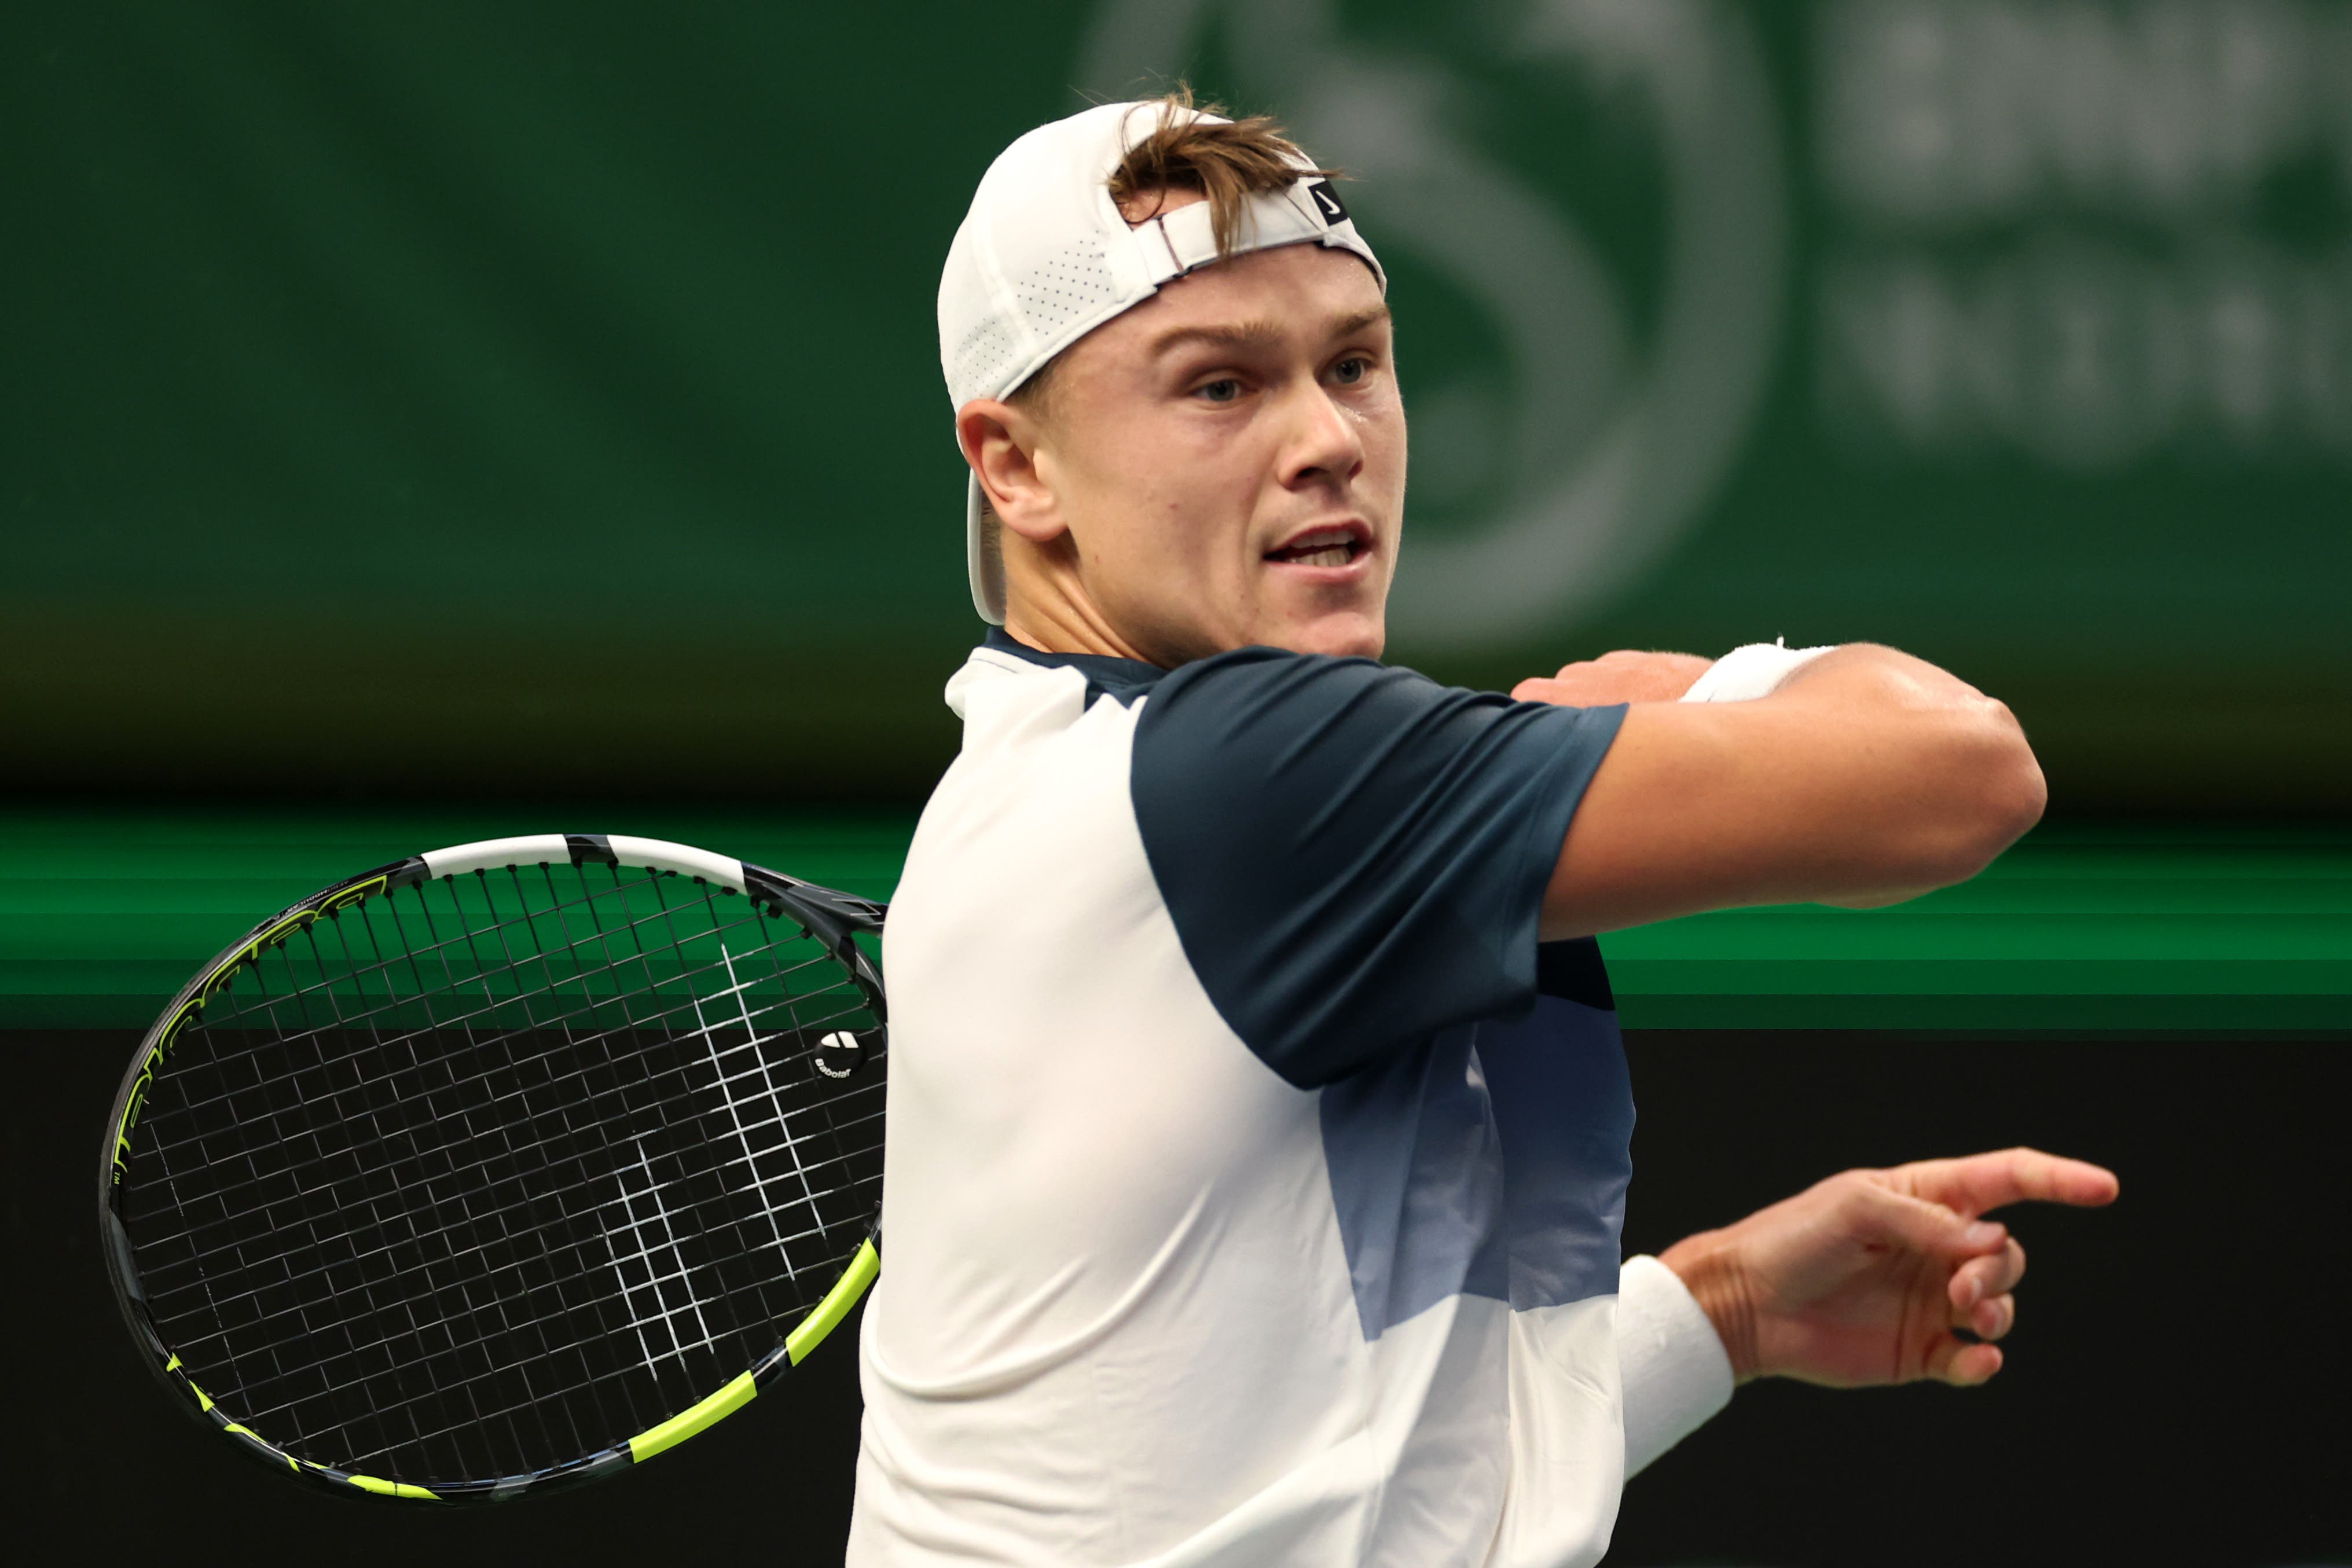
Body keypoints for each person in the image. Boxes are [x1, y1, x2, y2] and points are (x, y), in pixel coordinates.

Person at [849, 94, 2118, 1567]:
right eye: (1219, 385)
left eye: (1354, 364)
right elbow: (1963, 769)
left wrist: (1720, 1308)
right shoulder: (1247, 779)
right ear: (1015, 466)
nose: (1327, 439)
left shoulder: (1039, 781)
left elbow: (1304, 1466)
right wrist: (1701, 688)